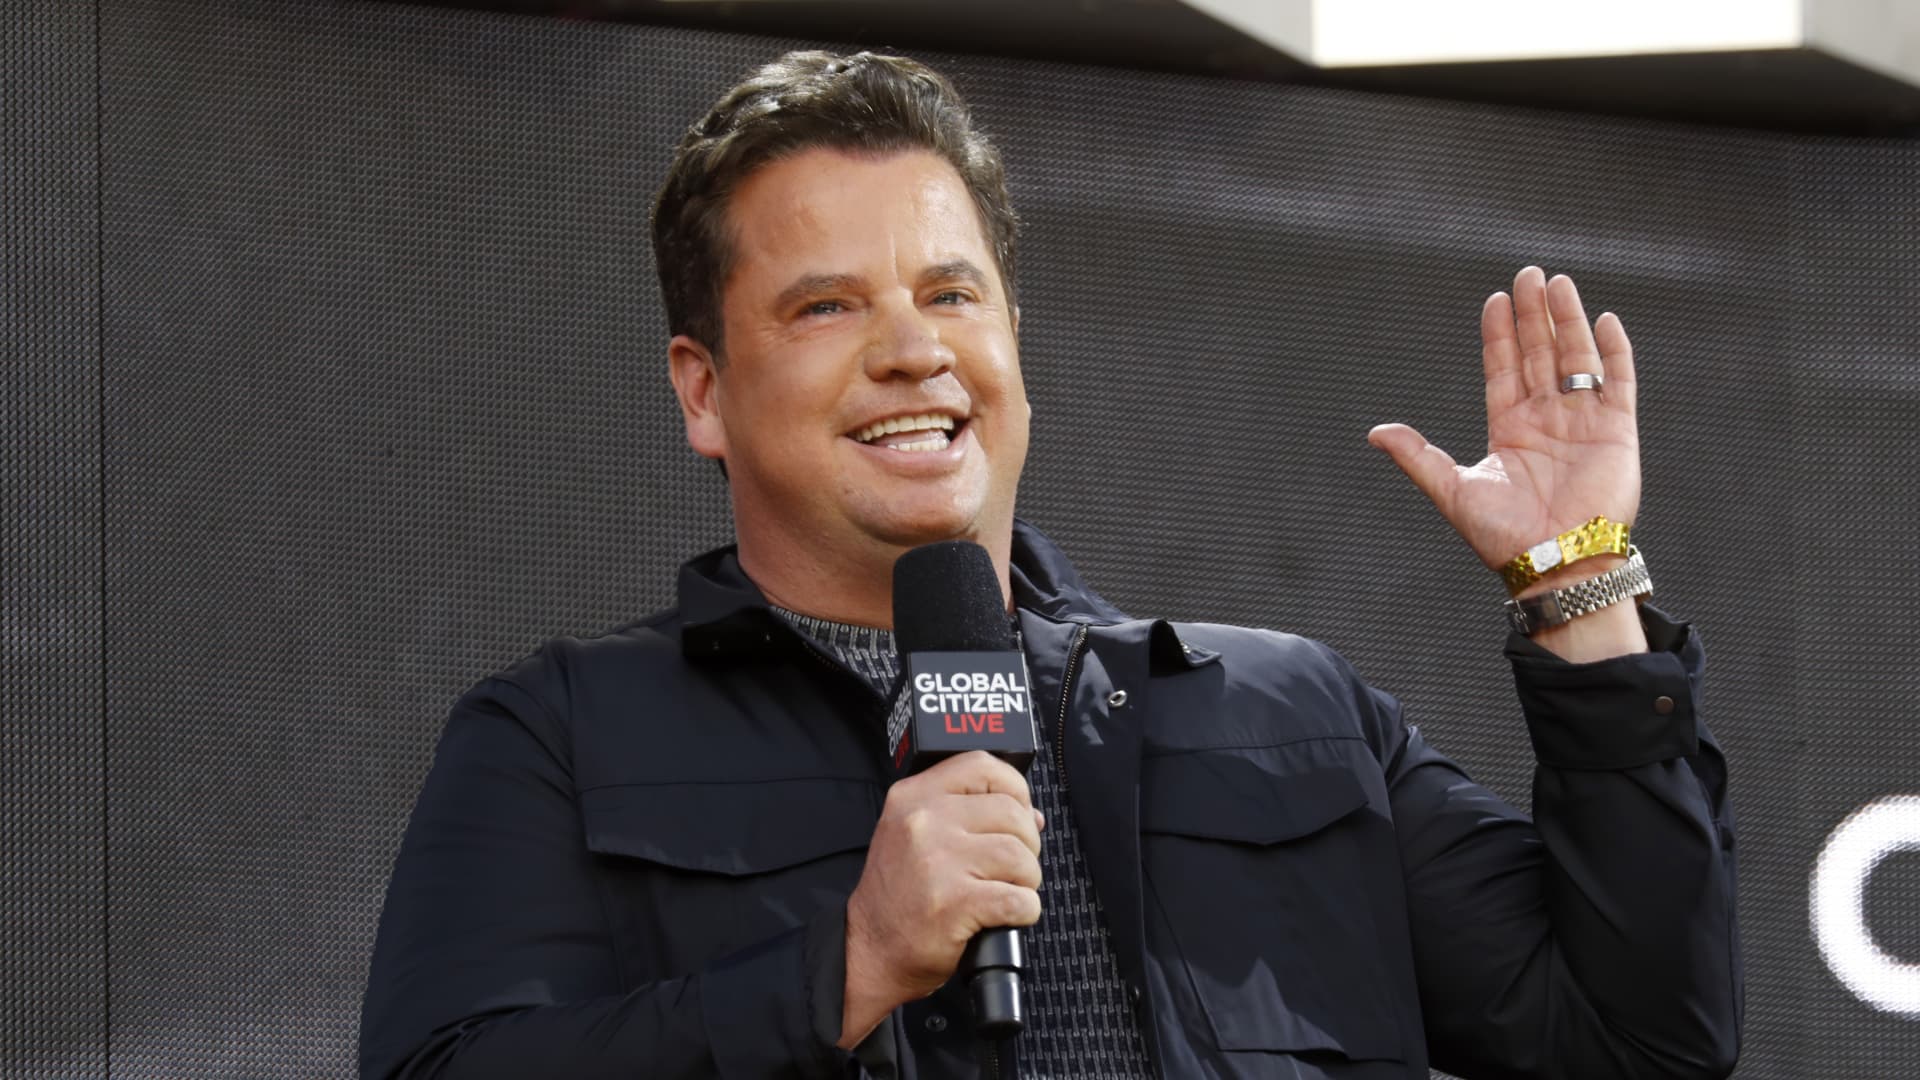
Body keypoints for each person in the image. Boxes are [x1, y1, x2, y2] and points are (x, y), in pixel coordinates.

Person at [359, 50, 1740, 1080]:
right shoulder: (558, 741)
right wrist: (841, 972)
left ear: (1012, 339)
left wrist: (1576, 580)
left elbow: (1640, 1038)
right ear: (704, 389)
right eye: (828, 306)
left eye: (950, 294)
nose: (914, 350)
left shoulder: (1295, 716)